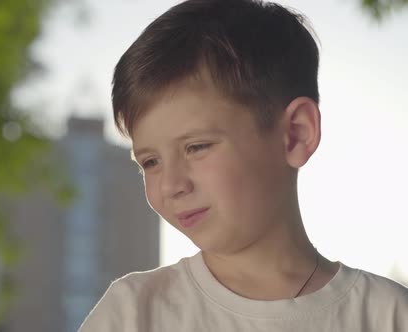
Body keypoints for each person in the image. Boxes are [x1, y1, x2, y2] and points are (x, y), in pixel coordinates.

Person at [78, 0, 408, 331]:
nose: (170, 185)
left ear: (296, 134)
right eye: (150, 162)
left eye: (197, 147)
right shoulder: (133, 313)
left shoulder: (388, 315)